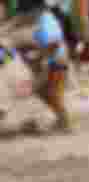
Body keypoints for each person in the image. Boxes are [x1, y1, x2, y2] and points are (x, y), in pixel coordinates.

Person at [9, 0, 71, 131]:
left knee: (52, 94)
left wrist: (39, 54)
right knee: (43, 93)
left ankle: (64, 122)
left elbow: (54, 43)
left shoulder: (46, 19)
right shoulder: (30, 20)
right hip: (46, 61)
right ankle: (58, 120)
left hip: (56, 61)